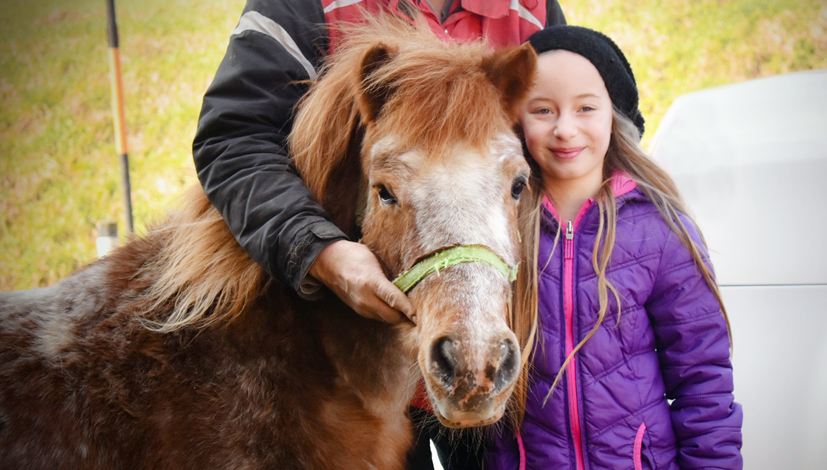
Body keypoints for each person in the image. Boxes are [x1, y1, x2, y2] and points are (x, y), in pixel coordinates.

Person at [192, 0, 565, 327]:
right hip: (322, 334)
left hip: (494, 323)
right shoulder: (307, 5)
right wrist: (320, 254)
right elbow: (236, 136)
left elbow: (580, 135)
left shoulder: (532, 8)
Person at [479, 25, 744, 470]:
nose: (565, 129)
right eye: (543, 110)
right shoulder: (497, 231)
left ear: (613, 115)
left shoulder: (660, 231)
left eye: (585, 108)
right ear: (518, 120)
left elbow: (703, 382)